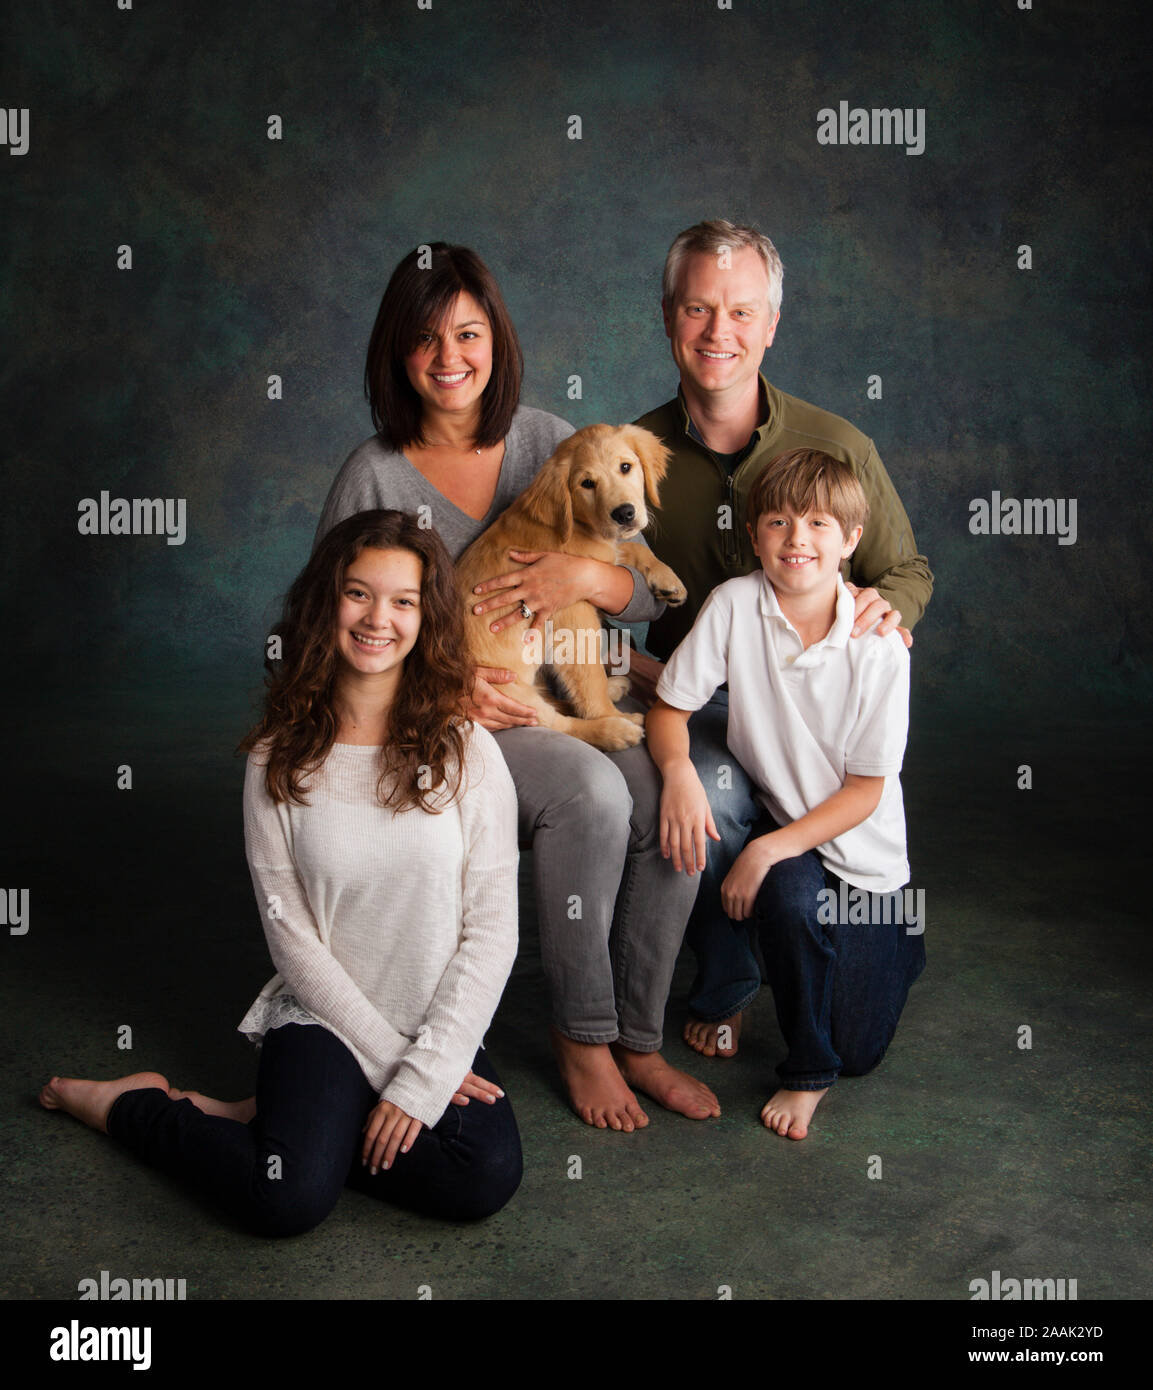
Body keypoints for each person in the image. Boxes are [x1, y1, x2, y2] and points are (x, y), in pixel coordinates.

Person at [316, 243, 719, 1131]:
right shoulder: (372, 474)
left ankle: (639, 1038)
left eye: (468, 332)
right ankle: (582, 1037)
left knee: (662, 797)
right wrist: (443, 691)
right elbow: (324, 632)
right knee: (588, 795)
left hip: (569, 688)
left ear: (496, 340)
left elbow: (650, 591)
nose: (449, 356)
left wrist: (583, 582)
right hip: (450, 715)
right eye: (424, 339)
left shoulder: (547, 440)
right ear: (396, 352)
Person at [40, 511, 524, 1231]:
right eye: (357, 594)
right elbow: (291, 938)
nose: (377, 619)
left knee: (482, 1176)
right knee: (286, 1199)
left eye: (402, 601)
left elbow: (493, 931)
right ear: (325, 602)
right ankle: (131, 1107)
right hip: (322, 1016)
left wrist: (424, 1075)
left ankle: (283, 1122)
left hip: (433, 1017)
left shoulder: (466, 750)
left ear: (429, 617)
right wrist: (393, 1069)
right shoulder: (279, 753)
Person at [630, 219, 933, 1059]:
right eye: (697, 309)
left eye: (740, 312)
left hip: (807, 697)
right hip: (692, 697)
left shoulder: (836, 445)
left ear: (770, 324)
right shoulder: (634, 454)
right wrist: (622, 658)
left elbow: (905, 570)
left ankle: (855, 930)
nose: (717, 333)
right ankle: (727, 985)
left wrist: (887, 613)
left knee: (858, 1019)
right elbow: (600, 581)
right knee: (705, 798)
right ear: (666, 317)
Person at [646, 450, 925, 1139]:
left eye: (819, 524)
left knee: (861, 1050)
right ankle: (806, 1071)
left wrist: (764, 848)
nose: (797, 539)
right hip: (792, 833)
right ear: (753, 533)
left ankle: (898, 946)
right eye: (778, 522)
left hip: (862, 852)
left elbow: (864, 792)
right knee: (790, 900)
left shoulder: (878, 647)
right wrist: (680, 774)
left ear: (851, 540)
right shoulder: (735, 604)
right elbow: (668, 709)